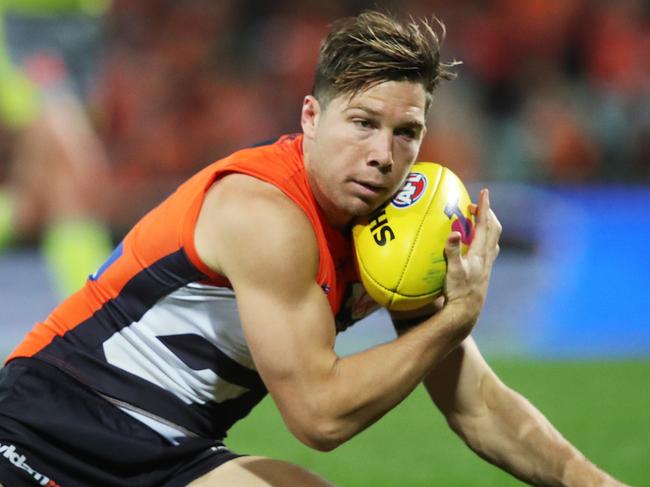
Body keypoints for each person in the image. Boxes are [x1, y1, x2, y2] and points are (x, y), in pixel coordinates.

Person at [0, 10, 627, 487]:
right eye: (363, 123)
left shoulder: (395, 227)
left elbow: (477, 404)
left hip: (174, 452)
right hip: (47, 424)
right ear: (309, 117)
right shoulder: (263, 213)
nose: (384, 155)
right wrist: (457, 316)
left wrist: (594, 481)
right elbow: (319, 417)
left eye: (407, 132)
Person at [0, 0, 113, 298]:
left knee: (42, 199)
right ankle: (94, 301)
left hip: (83, 31)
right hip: (24, 28)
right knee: (79, 163)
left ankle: (89, 303)